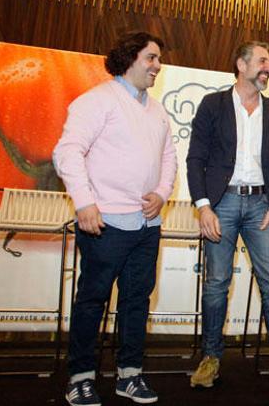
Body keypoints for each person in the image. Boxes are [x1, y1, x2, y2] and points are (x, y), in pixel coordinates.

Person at [53, 31, 178, 406]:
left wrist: (161, 193)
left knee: (137, 301)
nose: (158, 66)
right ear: (129, 59)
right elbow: (67, 152)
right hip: (104, 222)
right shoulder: (97, 101)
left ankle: (130, 375)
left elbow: (169, 159)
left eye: (158, 59)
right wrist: (84, 202)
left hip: (147, 226)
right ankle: (81, 378)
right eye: (151, 58)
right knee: (92, 300)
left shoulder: (157, 110)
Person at [186, 41, 269, 401]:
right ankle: (210, 358)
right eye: (262, 61)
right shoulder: (213, 104)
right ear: (241, 65)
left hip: (263, 206)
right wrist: (204, 206)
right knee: (216, 284)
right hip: (221, 203)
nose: (268, 67)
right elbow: (196, 158)